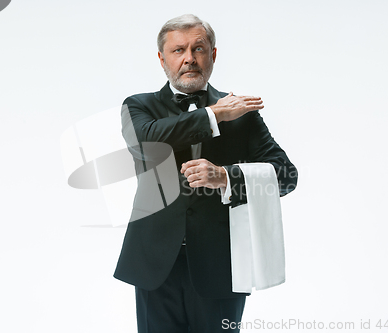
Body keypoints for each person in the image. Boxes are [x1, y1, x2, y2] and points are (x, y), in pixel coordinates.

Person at [114, 14, 297, 333]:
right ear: (162, 59)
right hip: (155, 265)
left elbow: (286, 175)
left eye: (198, 49)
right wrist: (213, 115)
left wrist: (226, 177)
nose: (189, 58)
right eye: (178, 50)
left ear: (213, 54)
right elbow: (148, 139)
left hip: (222, 266)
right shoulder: (139, 107)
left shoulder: (243, 115)